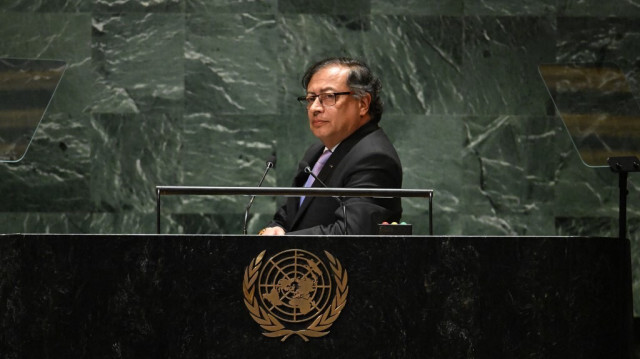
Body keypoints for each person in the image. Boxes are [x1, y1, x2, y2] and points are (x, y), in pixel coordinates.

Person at [259, 57, 402, 235]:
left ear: (363, 104)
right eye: (311, 98)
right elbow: (290, 215)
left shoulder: (373, 157)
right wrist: (275, 229)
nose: (315, 108)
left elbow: (354, 232)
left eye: (328, 97)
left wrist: (286, 241)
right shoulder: (317, 151)